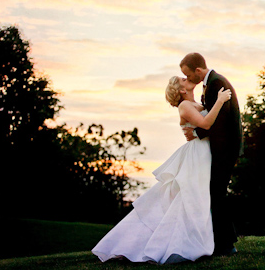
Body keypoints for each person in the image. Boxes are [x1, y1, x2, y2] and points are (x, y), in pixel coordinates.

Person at [91, 75, 232, 264]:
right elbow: (206, 124)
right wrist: (221, 101)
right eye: (183, 79)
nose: (187, 78)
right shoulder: (185, 106)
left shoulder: (197, 103)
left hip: (205, 153)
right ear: (181, 90)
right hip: (196, 155)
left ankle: (201, 241)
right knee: (191, 198)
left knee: (197, 199)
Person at [180, 52, 243, 256]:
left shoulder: (217, 83)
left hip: (225, 149)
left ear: (198, 71)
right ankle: (224, 242)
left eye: (188, 75)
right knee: (216, 194)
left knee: (216, 194)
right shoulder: (210, 84)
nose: (188, 80)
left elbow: (220, 121)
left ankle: (226, 245)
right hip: (217, 148)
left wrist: (197, 132)